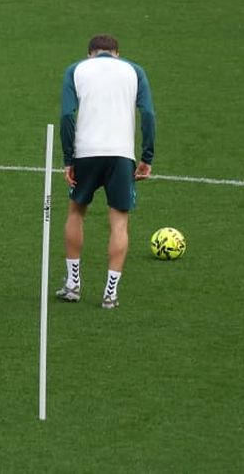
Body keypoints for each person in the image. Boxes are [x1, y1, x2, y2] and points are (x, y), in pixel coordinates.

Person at [58, 35, 155, 310]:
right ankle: (110, 293)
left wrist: (68, 158)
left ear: (90, 53)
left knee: (76, 211)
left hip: (86, 152)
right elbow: (147, 114)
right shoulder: (134, 71)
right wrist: (146, 156)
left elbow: (67, 116)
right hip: (121, 153)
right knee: (119, 221)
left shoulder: (76, 69)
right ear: (117, 53)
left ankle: (73, 285)